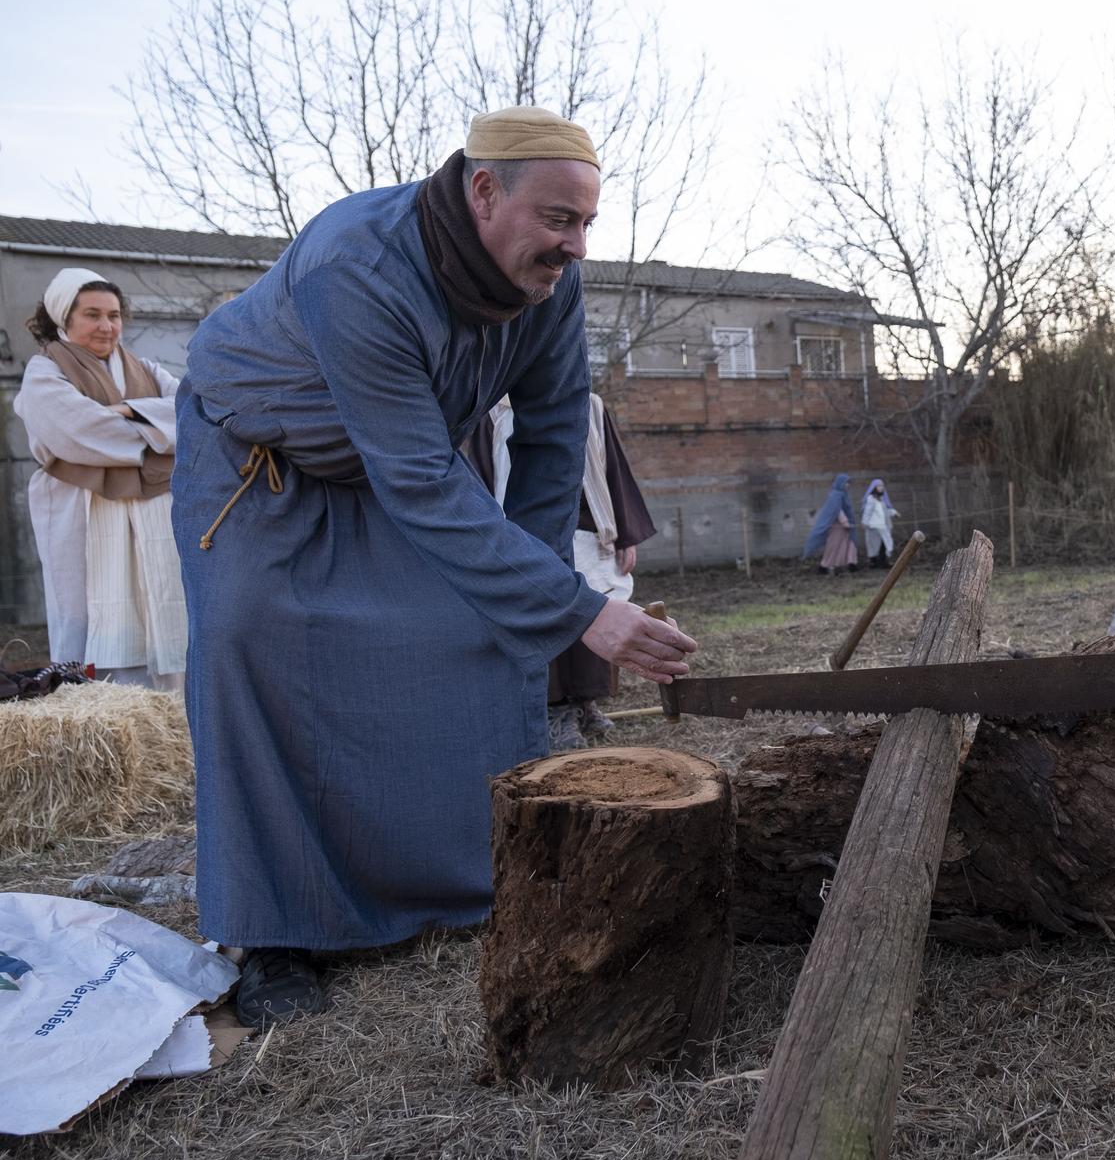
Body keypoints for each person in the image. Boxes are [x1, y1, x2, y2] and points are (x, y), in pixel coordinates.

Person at [173, 107, 697, 1028]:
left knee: (473, 629)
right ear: (483, 191)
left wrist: (537, 595)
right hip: (267, 466)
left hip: (400, 463)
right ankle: (278, 929)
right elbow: (417, 477)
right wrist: (582, 612)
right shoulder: (356, 266)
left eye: (586, 223)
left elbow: (551, 434)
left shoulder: (553, 282)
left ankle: (473, 876)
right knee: (248, 641)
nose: (575, 245)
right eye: (557, 219)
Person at [14, 269, 187, 689]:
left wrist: (129, 410)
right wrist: (158, 434)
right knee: (85, 611)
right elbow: (80, 432)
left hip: (153, 507)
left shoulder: (144, 369)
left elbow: (190, 410)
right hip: (80, 506)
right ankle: (93, 699)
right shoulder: (44, 373)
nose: (107, 326)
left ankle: (166, 703)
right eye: (92, 315)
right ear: (64, 318)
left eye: (114, 315)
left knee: (158, 602)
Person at [470, 392, 659, 745]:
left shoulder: (590, 405)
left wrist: (625, 535)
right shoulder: (493, 413)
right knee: (548, 617)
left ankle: (586, 703)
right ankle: (556, 711)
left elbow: (612, 468)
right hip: (524, 533)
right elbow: (481, 477)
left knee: (596, 612)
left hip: (587, 530)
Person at [803, 473, 858, 574]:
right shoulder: (835, 495)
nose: (848, 485)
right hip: (837, 528)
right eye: (846, 483)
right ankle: (824, 566)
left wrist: (850, 523)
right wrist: (845, 522)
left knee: (846, 546)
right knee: (833, 547)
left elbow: (847, 510)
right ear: (840, 483)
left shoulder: (844, 495)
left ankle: (848, 565)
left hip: (845, 528)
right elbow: (837, 511)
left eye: (849, 483)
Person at [860, 478, 898, 569]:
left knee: (884, 544)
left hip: (883, 526)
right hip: (874, 527)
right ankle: (873, 563)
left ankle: (883, 561)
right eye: (879, 486)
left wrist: (894, 513)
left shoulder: (882, 499)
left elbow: (886, 510)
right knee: (874, 545)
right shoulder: (871, 499)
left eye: (882, 486)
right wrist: (865, 522)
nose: (881, 488)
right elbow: (867, 512)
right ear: (874, 488)